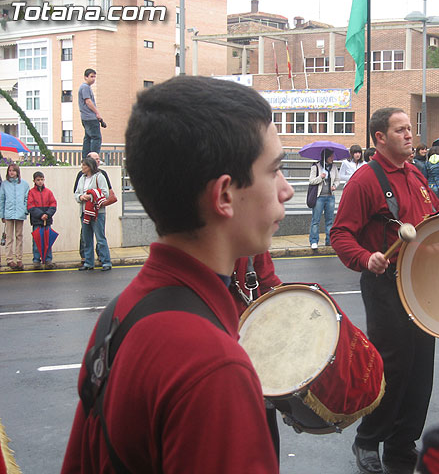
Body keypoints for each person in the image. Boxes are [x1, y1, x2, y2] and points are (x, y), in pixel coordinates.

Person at [61, 76, 294, 472]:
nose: (286, 190)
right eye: (274, 171)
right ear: (223, 195)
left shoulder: (121, 311)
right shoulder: (214, 368)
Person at [331, 107, 439, 474]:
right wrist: (366, 258)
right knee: (392, 367)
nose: (409, 134)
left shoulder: (416, 174)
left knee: (421, 368)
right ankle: (368, 440)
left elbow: (436, 217)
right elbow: (340, 233)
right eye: (400, 130)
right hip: (385, 281)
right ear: (380, 138)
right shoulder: (366, 180)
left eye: (410, 128)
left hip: (420, 283)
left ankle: (403, 443)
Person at [230, 252, 283, 459]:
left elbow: (268, 280)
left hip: (253, 343)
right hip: (219, 345)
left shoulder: (252, 238)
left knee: (264, 423)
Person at [73, 151, 116, 265]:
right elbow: (76, 193)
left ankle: (106, 262)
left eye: (84, 165)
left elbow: (105, 193)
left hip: (97, 212)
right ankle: (88, 262)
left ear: (89, 166)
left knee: (100, 238)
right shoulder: (81, 178)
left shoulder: (100, 176)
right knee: (86, 239)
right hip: (84, 212)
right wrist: (81, 197)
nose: (82, 167)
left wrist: (91, 196)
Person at [308, 148, 339, 249]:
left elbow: (337, 179)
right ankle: (314, 241)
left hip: (330, 197)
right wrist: (320, 177)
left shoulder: (334, 167)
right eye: (331, 156)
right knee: (316, 220)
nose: (332, 158)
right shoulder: (316, 166)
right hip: (319, 197)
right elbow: (311, 181)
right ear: (326, 156)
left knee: (329, 220)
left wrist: (334, 186)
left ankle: (329, 241)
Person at [0, 163, 29, 270]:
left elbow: (26, 199)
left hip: (20, 213)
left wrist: (25, 211)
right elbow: (2, 200)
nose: (11, 172)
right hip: (8, 213)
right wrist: (2, 215)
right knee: (9, 237)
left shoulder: (24, 184)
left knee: (19, 236)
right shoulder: (4, 184)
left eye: (13, 170)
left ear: (17, 172)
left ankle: (19, 259)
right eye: (10, 170)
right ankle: (9, 259)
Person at [27, 171, 57, 269]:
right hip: (37, 220)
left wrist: (47, 214)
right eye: (38, 180)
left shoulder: (48, 192)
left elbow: (53, 204)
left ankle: (48, 259)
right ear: (34, 181)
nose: (40, 182)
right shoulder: (31, 192)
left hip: (47, 220)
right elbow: (30, 206)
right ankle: (36, 260)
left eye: (41, 179)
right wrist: (41, 215)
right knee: (37, 241)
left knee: (47, 240)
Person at [78, 68, 105, 157]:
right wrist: (97, 113)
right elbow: (88, 101)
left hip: (85, 118)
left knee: (88, 138)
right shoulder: (85, 87)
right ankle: (93, 158)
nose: (93, 79)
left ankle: (86, 158)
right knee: (96, 138)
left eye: (94, 77)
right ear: (85, 77)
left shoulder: (85, 87)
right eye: (91, 76)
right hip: (90, 117)